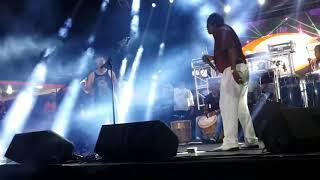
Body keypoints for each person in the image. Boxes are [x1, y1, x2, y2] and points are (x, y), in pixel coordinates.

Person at [202, 13, 258, 151]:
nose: (207, 29)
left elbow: (231, 49)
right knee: (241, 108)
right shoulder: (225, 30)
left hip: (233, 69)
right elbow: (226, 52)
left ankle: (231, 142)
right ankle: (251, 140)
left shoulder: (222, 31)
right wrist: (210, 58)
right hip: (240, 67)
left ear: (213, 24)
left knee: (227, 106)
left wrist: (233, 70)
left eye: (208, 26)